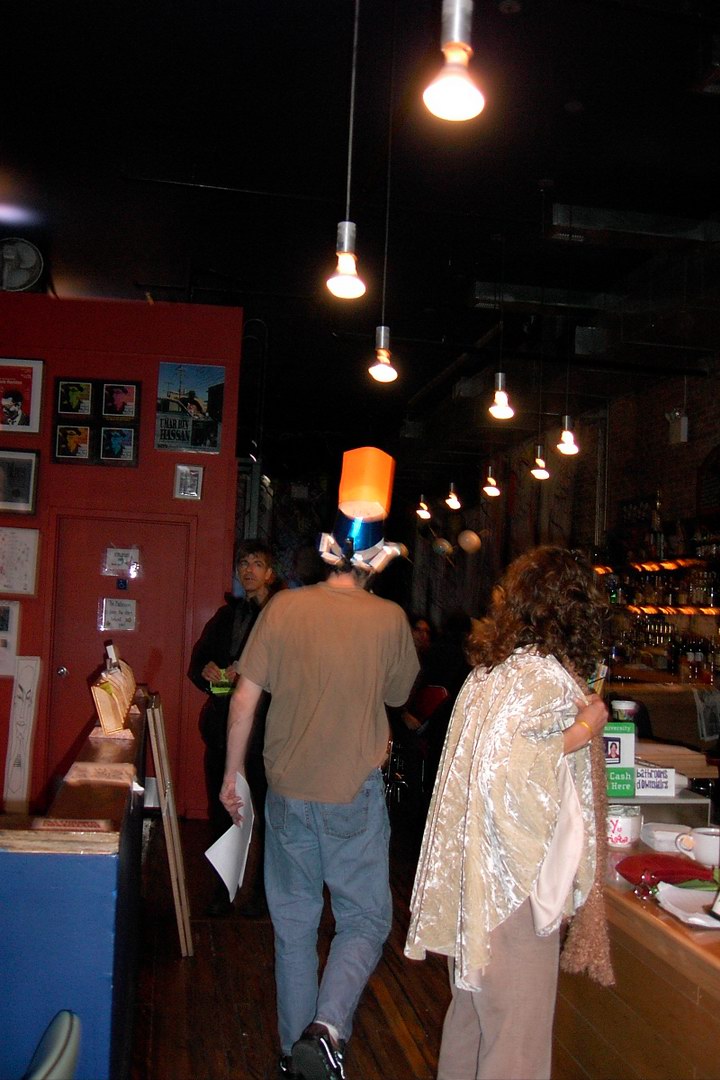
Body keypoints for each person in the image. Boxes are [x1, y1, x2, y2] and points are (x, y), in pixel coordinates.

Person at [405, 546, 613, 1080]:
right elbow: (510, 768)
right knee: (515, 1049)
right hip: (510, 889)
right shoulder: (542, 679)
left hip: (472, 886)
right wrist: (586, 727)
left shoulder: (489, 673)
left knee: (470, 1028)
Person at [220, 531, 419, 1079]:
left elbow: (243, 699)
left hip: (287, 793)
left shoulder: (283, 607)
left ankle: (295, 1058)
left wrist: (233, 774)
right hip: (353, 792)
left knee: (294, 928)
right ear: (374, 562)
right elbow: (399, 695)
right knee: (364, 921)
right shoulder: (389, 619)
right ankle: (326, 1029)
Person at [188, 539, 278, 916]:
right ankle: (224, 889)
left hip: (267, 734)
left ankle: (260, 896)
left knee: (265, 817)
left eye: (256, 563)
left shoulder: (281, 616)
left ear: (270, 573)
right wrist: (207, 671)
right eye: (243, 563)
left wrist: (252, 676)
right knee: (222, 814)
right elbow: (197, 665)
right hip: (223, 731)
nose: (248, 570)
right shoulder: (226, 616)